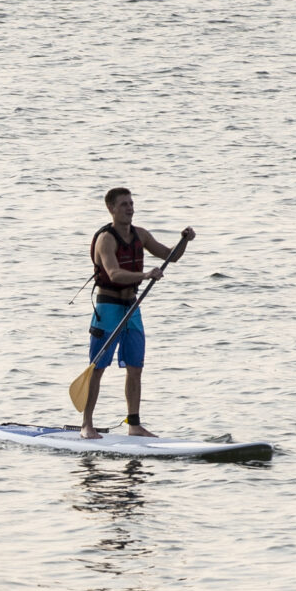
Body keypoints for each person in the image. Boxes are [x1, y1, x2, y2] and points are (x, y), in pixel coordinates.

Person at [81, 188, 194, 439]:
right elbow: (114, 274)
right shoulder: (106, 240)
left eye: (131, 203)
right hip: (108, 308)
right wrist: (145, 275)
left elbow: (170, 256)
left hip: (132, 308)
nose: (130, 208)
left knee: (135, 367)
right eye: (124, 205)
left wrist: (184, 240)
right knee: (98, 367)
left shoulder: (140, 234)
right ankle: (86, 424)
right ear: (111, 209)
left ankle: (134, 424)